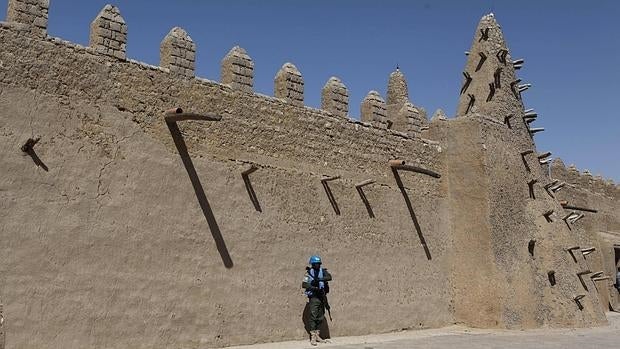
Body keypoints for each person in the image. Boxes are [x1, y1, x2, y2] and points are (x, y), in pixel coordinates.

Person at [302, 255, 332, 346]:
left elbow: (329, 277)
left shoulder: (322, 271)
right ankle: (313, 337)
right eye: (316, 264)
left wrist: (319, 279)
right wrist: (313, 287)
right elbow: (304, 284)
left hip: (322, 296)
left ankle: (318, 335)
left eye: (319, 264)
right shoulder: (308, 273)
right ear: (312, 264)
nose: (318, 265)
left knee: (320, 316)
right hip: (314, 297)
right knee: (313, 316)